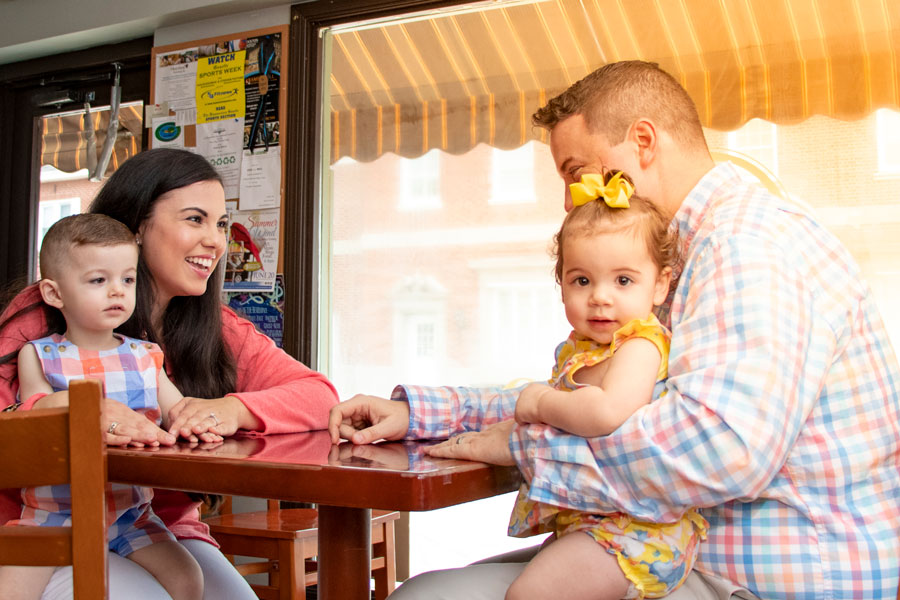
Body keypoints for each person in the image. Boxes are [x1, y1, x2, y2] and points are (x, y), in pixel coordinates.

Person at [330, 60, 900, 599]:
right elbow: (578, 397)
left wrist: (523, 448)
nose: (571, 198)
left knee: (428, 595)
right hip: (675, 545)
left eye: (577, 172)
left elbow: (718, 447)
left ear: (644, 143)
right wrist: (423, 415)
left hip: (772, 579)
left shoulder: (743, 245)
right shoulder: (677, 257)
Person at [0, 148, 339, 600]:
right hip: (38, 529)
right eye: (195, 219)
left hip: (154, 526)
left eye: (220, 224)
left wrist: (230, 409)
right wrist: (78, 416)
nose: (217, 241)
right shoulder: (46, 318)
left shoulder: (217, 328)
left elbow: (320, 395)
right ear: (137, 227)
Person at [504, 172, 705, 600]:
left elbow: (604, 412)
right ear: (561, 286)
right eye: (582, 280)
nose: (600, 296)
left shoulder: (642, 345)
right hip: (595, 520)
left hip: (641, 532)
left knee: (529, 595)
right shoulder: (578, 350)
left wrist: (540, 401)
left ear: (661, 285)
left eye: (623, 280)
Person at [0, 213, 210, 600]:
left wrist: (196, 423)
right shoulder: (40, 355)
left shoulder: (147, 356)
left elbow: (180, 412)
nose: (117, 291)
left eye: (127, 280)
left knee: (188, 579)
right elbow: (33, 411)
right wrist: (82, 405)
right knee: (9, 591)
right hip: (52, 516)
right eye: (99, 280)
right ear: (54, 293)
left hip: (131, 515)